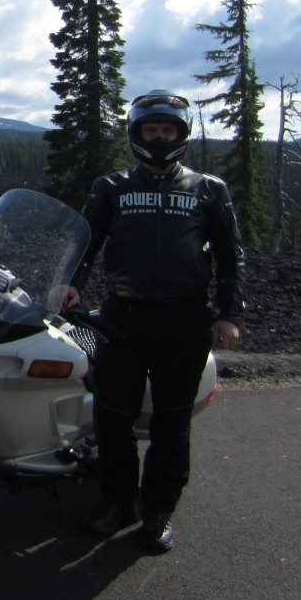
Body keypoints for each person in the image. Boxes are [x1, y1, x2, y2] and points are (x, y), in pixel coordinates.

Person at [61, 90, 245, 552]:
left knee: (171, 422)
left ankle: (158, 508)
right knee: (111, 416)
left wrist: (229, 314)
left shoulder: (208, 190)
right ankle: (117, 500)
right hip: (122, 317)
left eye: (167, 130)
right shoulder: (112, 187)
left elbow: (230, 256)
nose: (159, 137)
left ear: (180, 135)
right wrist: (69, 283)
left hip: (185, 320)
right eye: (151, 130)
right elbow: (85, 241)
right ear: (137, 134)